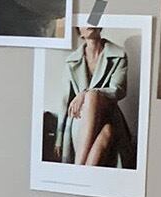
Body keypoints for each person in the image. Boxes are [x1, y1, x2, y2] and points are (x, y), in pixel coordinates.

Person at [53, 26, 136, 168]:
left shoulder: (119, 55)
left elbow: (118, 91)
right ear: (79, 32)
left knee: (93, 97)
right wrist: (59, 139)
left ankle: (78, 169)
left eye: (93, 19)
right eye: (84, 22)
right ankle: (81, 172)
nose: (90, 23)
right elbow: (65, 101)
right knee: (107, 131)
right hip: (79, 119)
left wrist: (86, 93)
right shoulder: (71, 61)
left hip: (108, 114)